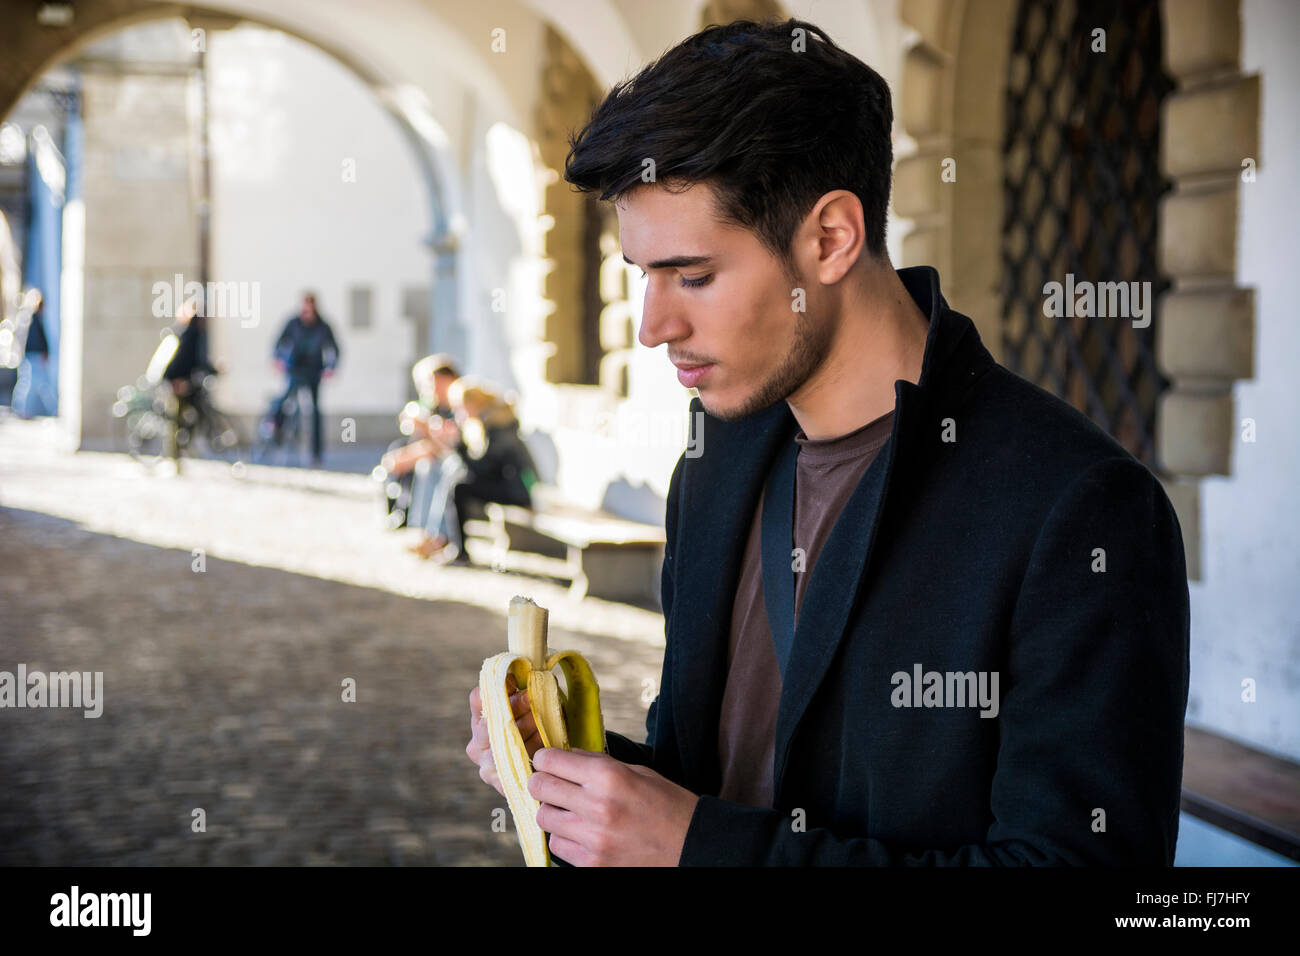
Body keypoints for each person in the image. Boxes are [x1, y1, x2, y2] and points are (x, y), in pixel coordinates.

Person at [466, 18, 1190, 866]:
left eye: (693, 276)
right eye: (644, 276)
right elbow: (727, 784)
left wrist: (699, 847)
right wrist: (586, 784)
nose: (655, 325)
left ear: (832, 238)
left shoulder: (1081, 508)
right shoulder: (713, 462)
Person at [413, 377, 538, 565]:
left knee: (458, 488)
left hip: (518, 490)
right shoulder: (489, 420)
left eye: (460, 408)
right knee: (453, 480)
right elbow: (481, 466)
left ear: (472, 404)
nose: (458, 414)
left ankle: (458, 549)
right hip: (510, 484)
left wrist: (457, 444)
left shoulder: (498, 424)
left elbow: (483, 467)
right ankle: (441, 539)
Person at [377, 354, 461, 528]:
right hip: (432, 451)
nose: (430, 388)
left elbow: (450, 442)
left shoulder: (458, 404)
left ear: (448, 380)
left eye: (433, 382)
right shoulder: (434, 404)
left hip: (448, 457)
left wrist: (423, 435)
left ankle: (414, 519)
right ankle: (400, 508)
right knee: (398, 450)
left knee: (421, 464)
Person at [271, 292, 339, 467]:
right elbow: (278, 343)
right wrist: (278, 359)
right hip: (294, 369)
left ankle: (316, 453)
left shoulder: (323, 326)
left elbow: (334, 348)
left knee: (315, 412)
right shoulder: (293, 323)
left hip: (314, 371)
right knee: (285, 399)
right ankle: (274, 425)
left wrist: (331, 367)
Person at [161, 297, 220, 467]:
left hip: (185, 381)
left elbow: (198, 361)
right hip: (178, 382)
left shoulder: (191, 332)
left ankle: (181, 451)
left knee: (191, 414)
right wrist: (177, 381)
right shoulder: (190, 333)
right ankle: (174, 459)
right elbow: (184, 361)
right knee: (176, 420)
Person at [12, 289, 56, 418]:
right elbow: (35, 340)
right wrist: (42, 353)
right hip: (34, 356)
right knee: (35, 384)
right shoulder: (32, 319)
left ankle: (22, 409)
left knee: (31, 384)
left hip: (33, 356)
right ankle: (23, 409)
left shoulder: (33, 319)